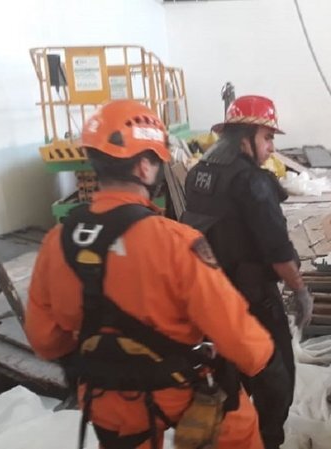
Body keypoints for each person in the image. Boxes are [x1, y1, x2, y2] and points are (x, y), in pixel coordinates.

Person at [24, 99, 291, 449]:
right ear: (144, 167)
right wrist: (269, 366)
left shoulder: (57, 242)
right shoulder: (176, 242)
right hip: (177, 389)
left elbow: (45, 340)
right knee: (239, 426)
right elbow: (236, 334)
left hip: (106, 398)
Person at [181, 95, 313, 449]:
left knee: (227, 380)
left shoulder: (198, 175)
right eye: (267, 138)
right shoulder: (253, 181)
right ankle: (267, 441)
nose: (271, 148)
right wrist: (300, 291)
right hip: (254, 303)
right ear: (245, 138)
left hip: (211, 302)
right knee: (276, 382)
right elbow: (278, 252)